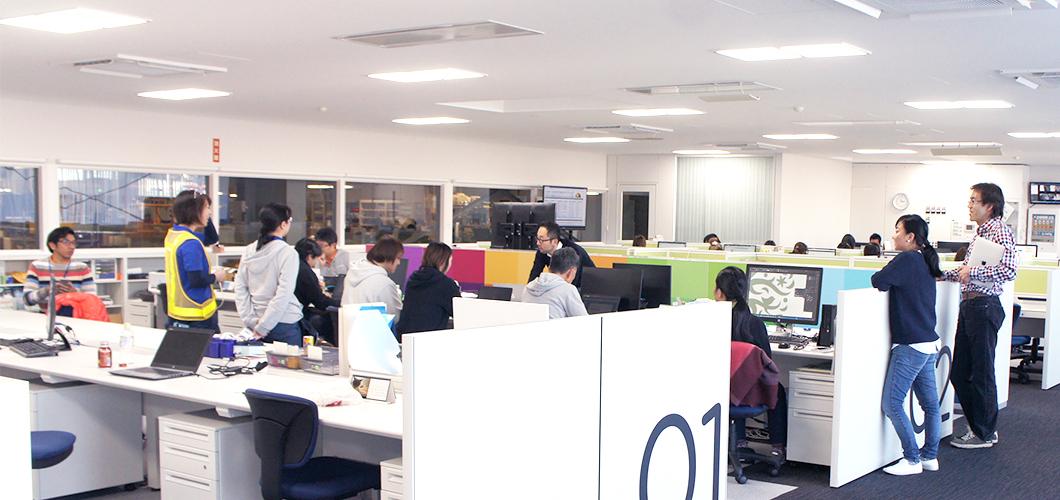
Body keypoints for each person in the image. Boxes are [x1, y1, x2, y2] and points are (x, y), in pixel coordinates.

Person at [943, 183, 1016, 449]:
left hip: (984, 307)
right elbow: (967, 270)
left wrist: (972, 273)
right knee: (960, 372)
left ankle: (984, 433)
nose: (969, 205)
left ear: (990, 206)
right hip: (971, 306)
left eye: (974, 200)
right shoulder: (981, 234)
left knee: (981, 373)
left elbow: (1009, 270)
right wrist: (941, 275)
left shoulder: (999, 231)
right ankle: (980, 427)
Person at [871, 215, 943, 475]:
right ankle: (929, 456)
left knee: (892, 403)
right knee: (930, 405)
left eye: (897, 230)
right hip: (928, 341)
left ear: (910, 236)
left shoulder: (908, 259)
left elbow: (878, 281)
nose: (893, 235)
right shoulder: (924, 259)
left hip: (910, 344)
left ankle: (912, 459)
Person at [715, 266, 787, 460]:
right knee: (778, 389)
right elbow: (768, 364)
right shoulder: (755, 324)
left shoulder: (713, 323)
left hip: (723, 392)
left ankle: (739, 442)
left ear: (719, 293)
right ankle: (777, 448)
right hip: (750, 393)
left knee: (734, 382)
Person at [234, 203, 304, 345]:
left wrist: (250, 320)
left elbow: (240, 288)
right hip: (284, 323)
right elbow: (284, 294)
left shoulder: (249, 250)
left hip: (255, 322)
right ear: (283, 224)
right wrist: (264, 326)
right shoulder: (288, 253)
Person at [164, 191, 228, 331]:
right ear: (193, 211)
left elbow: (211, 238)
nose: (210, 212)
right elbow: (196, 280)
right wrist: (216, 277)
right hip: (197, 315)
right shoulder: (191, 243)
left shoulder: (175, 235)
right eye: (206, 208)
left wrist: (205, 219)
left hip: (178, 313)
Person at [396, 242, 462, 339]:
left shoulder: (413, 279)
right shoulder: (445, 284)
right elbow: (460, 313)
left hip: (405, 338)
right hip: (429, 340)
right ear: (443, 262)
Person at [23, 227, 97, 311]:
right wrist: (47, 291)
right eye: (66, 242)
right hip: (44, 315)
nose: (72, 247)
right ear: (52, 245)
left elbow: (92, 300)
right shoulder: (37, 266)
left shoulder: (82, 268)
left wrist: (75, 294)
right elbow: (27, 299)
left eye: (73, 243)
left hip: (75, 315)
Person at [343, 236, 404, 322]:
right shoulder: (384, 283)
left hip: (347, 327)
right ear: (389, 256)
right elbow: (395, 318)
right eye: (398, 258)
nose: (399, 263)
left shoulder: (352, 273)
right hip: (372, 329)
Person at [293, 238, 339, 343]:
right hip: (298, 315)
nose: (316, 262)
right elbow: (319, 301)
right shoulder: (305, 271)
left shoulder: (291, 265)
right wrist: (340, 303)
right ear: (309, 256)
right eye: (316, 258)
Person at [522, 247, 588, 319]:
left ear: (549, 267)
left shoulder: (529, 287)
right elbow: (584, 321)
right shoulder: (568, 290)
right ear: (571, 271)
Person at [528, 222, 595, 288]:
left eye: (541, 240)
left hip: (585, 287)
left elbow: (572, 282)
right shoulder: (543, 251)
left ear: (554, 241)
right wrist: (529, 290)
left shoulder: (571, 252)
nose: (538, 243)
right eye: (537, 238)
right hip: (565, 287)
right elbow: (534, 275)